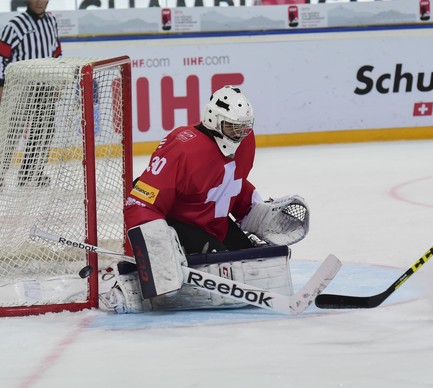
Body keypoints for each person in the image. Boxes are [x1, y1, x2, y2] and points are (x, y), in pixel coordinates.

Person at [101, 85, 310, 313]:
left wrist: (252, 209)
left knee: (251, 259)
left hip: (215, 222)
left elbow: (231, 182)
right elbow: (140, 202)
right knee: (222, 265)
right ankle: (130, 282)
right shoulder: (183, 148)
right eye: (232, 128)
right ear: (214, 119)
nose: (239, 134)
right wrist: (156, 248)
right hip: (181, 223)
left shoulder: (246, 143)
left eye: (244, 128)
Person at [0, 0, 62, 187]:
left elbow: (57, 52)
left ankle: (30, 173)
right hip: (21, 87)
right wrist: (2, 84)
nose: (39, 2)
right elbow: (2, 57)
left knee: (43, 131)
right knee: (11, 132)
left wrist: (58, 80)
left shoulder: (51, 22)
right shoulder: (14, 25)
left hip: (46, 85)